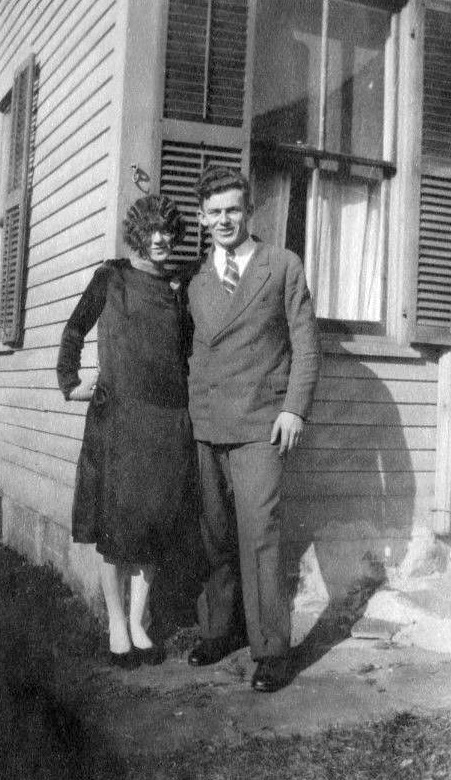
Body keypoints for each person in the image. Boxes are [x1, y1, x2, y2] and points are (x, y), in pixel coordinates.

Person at [186, 166, 321, 692]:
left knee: (260, 535)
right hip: (207, 422)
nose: (224, 220)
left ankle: (270, 650)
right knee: (215, 536)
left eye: (233, 210)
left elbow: (305, 345)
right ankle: (220, 630)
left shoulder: (281, 265)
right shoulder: (196, 279)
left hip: (261, 424)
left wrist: (294, 409)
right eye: (214, 212)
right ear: (202, 218)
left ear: (248, 211)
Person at [57, 194, 192, 669]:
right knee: (116, 526)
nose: (161, 239)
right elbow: (74, 329)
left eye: (167, 230)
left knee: (153, 523)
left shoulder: (178, 287)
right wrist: (71, 383)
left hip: (166, 421)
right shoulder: (110, 277)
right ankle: (116, 623)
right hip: (118, 419)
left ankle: (139, 622)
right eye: (151, 230)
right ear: (137, 234)